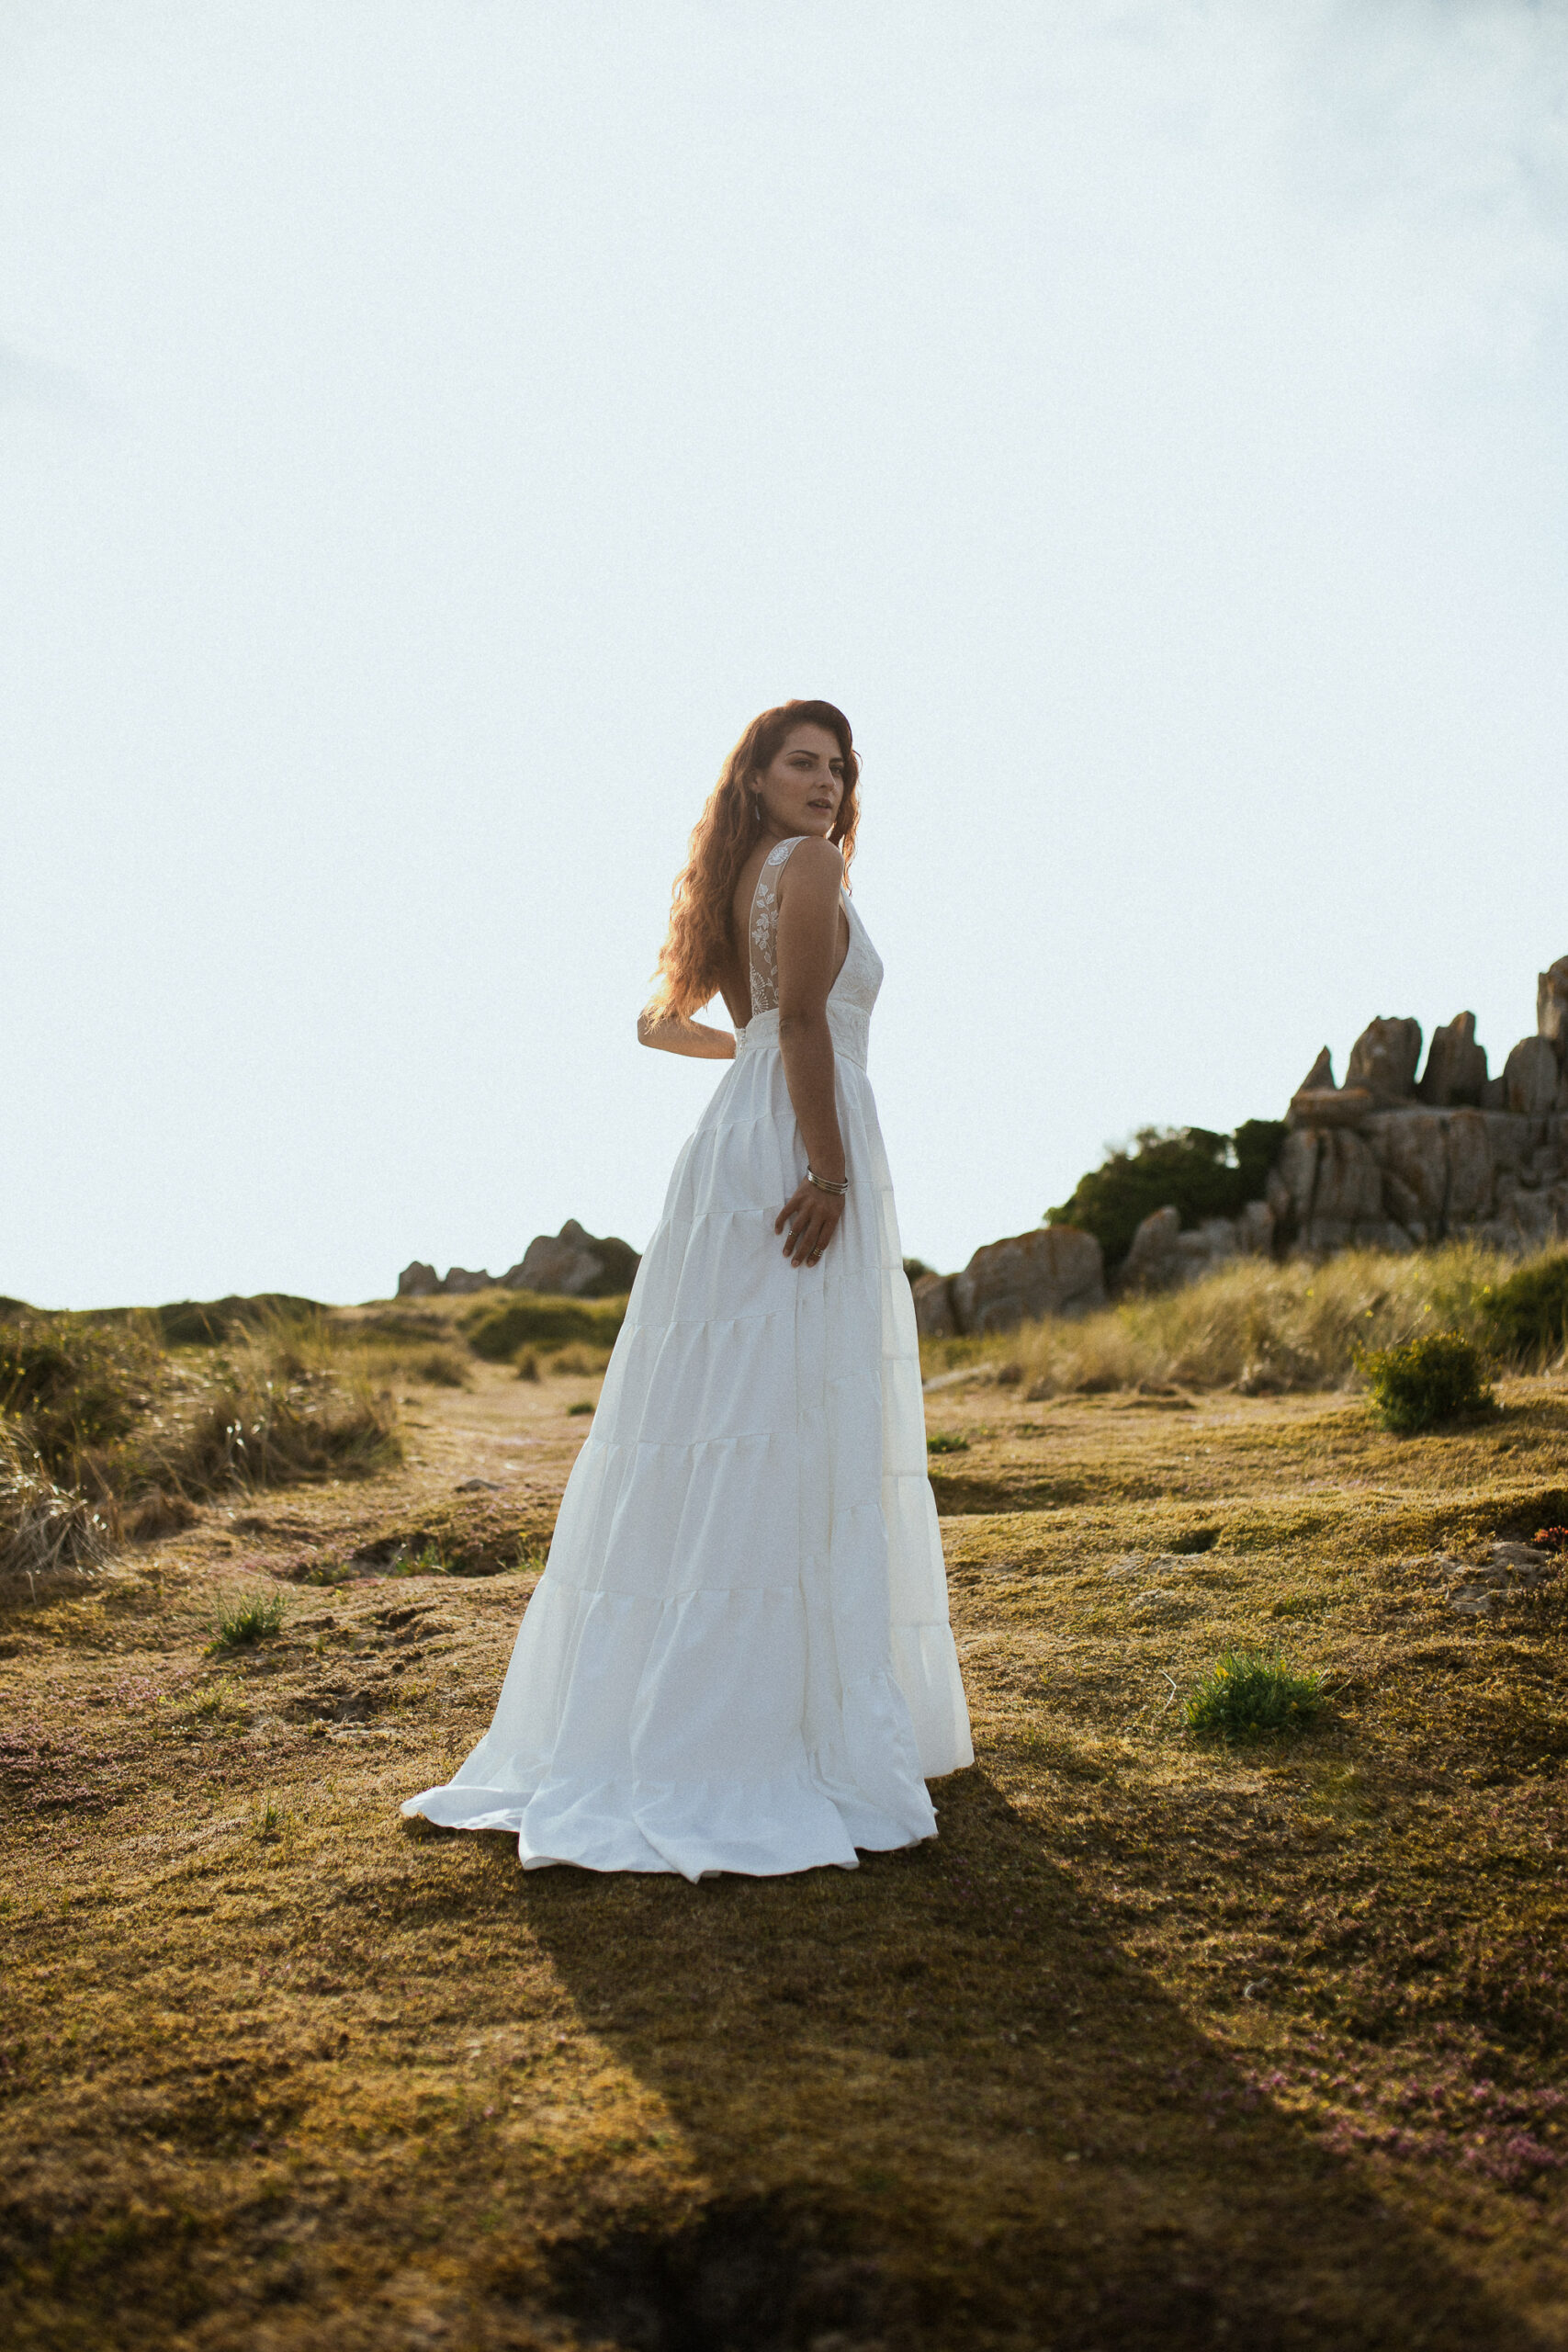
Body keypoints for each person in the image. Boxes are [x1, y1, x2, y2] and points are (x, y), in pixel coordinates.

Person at [402, 699, 972, 1877]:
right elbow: (807, 1017)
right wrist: (825, 1159)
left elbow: (663, 1022)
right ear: (757, 777)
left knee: (726, 1410)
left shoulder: (737, 879)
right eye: (802, 763)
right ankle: (755, 1728)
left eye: (838, 767)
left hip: (733, 1139)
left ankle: (696, 1706)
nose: (826, 783)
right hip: (795, 1138)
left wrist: (748, 1053)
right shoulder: (808, 867)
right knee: (783, 1406)